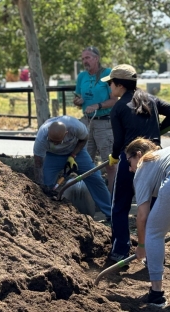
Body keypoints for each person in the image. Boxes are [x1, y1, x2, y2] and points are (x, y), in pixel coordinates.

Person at [101, 64, 170, 262]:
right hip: (157, 160)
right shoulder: (150, 99)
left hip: (131, 160)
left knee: (120, 206)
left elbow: (119, 141)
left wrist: (114, 157)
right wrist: (158, 129)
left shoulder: (119, 108)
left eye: (111, 84)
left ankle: (120, 251)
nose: (110, 87)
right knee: (154, 208)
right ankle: (153, 253)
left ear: (119, 85)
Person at [33, 115, 111, 220]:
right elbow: (38, 164)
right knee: (46, 184)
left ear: (66, 134)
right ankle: (47, 214)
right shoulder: (41, 138)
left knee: (95, 179)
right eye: (51, 141)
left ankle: (111, 213)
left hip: (76, 153)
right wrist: (39, 184)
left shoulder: (76, 126)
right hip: (53, 156)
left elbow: (84, 139)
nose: (54, 143)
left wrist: (73, 155)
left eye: (57, 141)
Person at [125, 138, 170, 307]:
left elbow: (142, 216)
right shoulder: (163, 155)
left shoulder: (143, 166)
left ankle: (156, 294)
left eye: (129, 162)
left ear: (138, 154)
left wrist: (142, 245)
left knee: (154, 232)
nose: (130, 169)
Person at [73, 46, 118, 193]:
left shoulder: (108, 74)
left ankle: (113, 199)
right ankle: (91, 198)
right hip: (87, 123)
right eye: (83, 58)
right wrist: (77, 101)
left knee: (110, 163)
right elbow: (77, 96)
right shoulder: (82, 77)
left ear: (96, 58)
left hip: (105, 123)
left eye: (88, 58)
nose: (84, 61)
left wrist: (97, 105)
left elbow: (115, 100)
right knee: (86, 163)